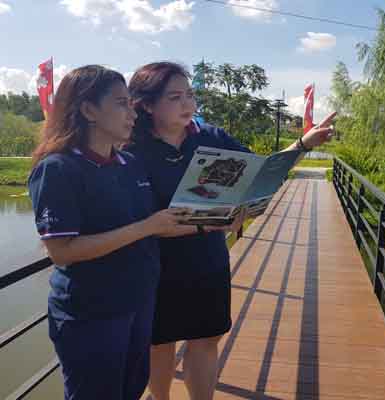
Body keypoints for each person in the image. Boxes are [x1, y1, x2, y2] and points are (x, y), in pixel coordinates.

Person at [127, 61, 336, 400]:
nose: (188, 105)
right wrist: (211, 221)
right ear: (147, 105)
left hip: (207, 260)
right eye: (175, 97)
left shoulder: (210, 136)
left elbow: (261, 172)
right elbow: (137, 220)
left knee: (206, 340)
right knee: (158, 343)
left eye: (190, 95)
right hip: (154, 267)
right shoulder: (131, 150)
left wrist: (303, 144)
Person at [28, 65, 189, 400]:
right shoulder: (59, 168)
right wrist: (145, 227)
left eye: (130, 103)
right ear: (88, 110)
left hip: (138, 303)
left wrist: (216, 219)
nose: (132, 113)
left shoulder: (128, 163)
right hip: (93, 313)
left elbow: (153, 224)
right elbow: (62, 251)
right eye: (121, 103)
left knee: (131, 389)